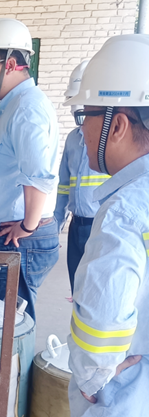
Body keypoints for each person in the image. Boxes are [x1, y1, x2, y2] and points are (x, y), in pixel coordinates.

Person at [65, 33, 149, 417]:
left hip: (123, 395)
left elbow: (99, 329)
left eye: (86, 116)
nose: (81, 131)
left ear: (117, 126)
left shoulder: (123, 213)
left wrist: (92, 377)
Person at [0, 18, 59, 322]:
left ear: (9, 64)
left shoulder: (27, 108)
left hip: (17, 241)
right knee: (3, 325)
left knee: (10, 328)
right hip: (9, 238)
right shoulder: (15, 106)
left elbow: (38, 175)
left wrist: (28, 227)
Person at [53, 61, 110, 293]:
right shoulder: (72, 140)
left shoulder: (114, 143)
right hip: (77, 226)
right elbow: (63, 187)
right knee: (77, 288)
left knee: (96, 291)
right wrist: (56, 225)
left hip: (101, 226)